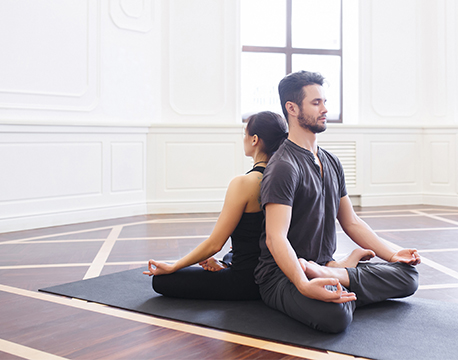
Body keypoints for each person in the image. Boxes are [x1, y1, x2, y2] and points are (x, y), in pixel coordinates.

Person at [255, 71, 421, 333]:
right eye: (316, 103)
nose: (325, 109)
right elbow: (276, 238)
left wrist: (391, 254)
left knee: (409, 276)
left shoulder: (331, 161)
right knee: (335, 317)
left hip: (324, 266)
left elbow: (351, 222)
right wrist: (303, 283)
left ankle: (337, 274)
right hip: (282, 276)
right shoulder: (283, 167)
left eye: (325, 102)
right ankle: (340, 276)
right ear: (292, 108)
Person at [143, 111, 288, 301]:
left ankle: (225, 267)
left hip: (245, 281)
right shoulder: (286, 179)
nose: (243, 138)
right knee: (234, 252)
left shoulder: (244, 183)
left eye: (245, 134)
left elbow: (214, 244)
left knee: (161, 282)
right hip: (276, 275)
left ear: (254, 139)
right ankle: (225, 265)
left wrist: (174, 266)